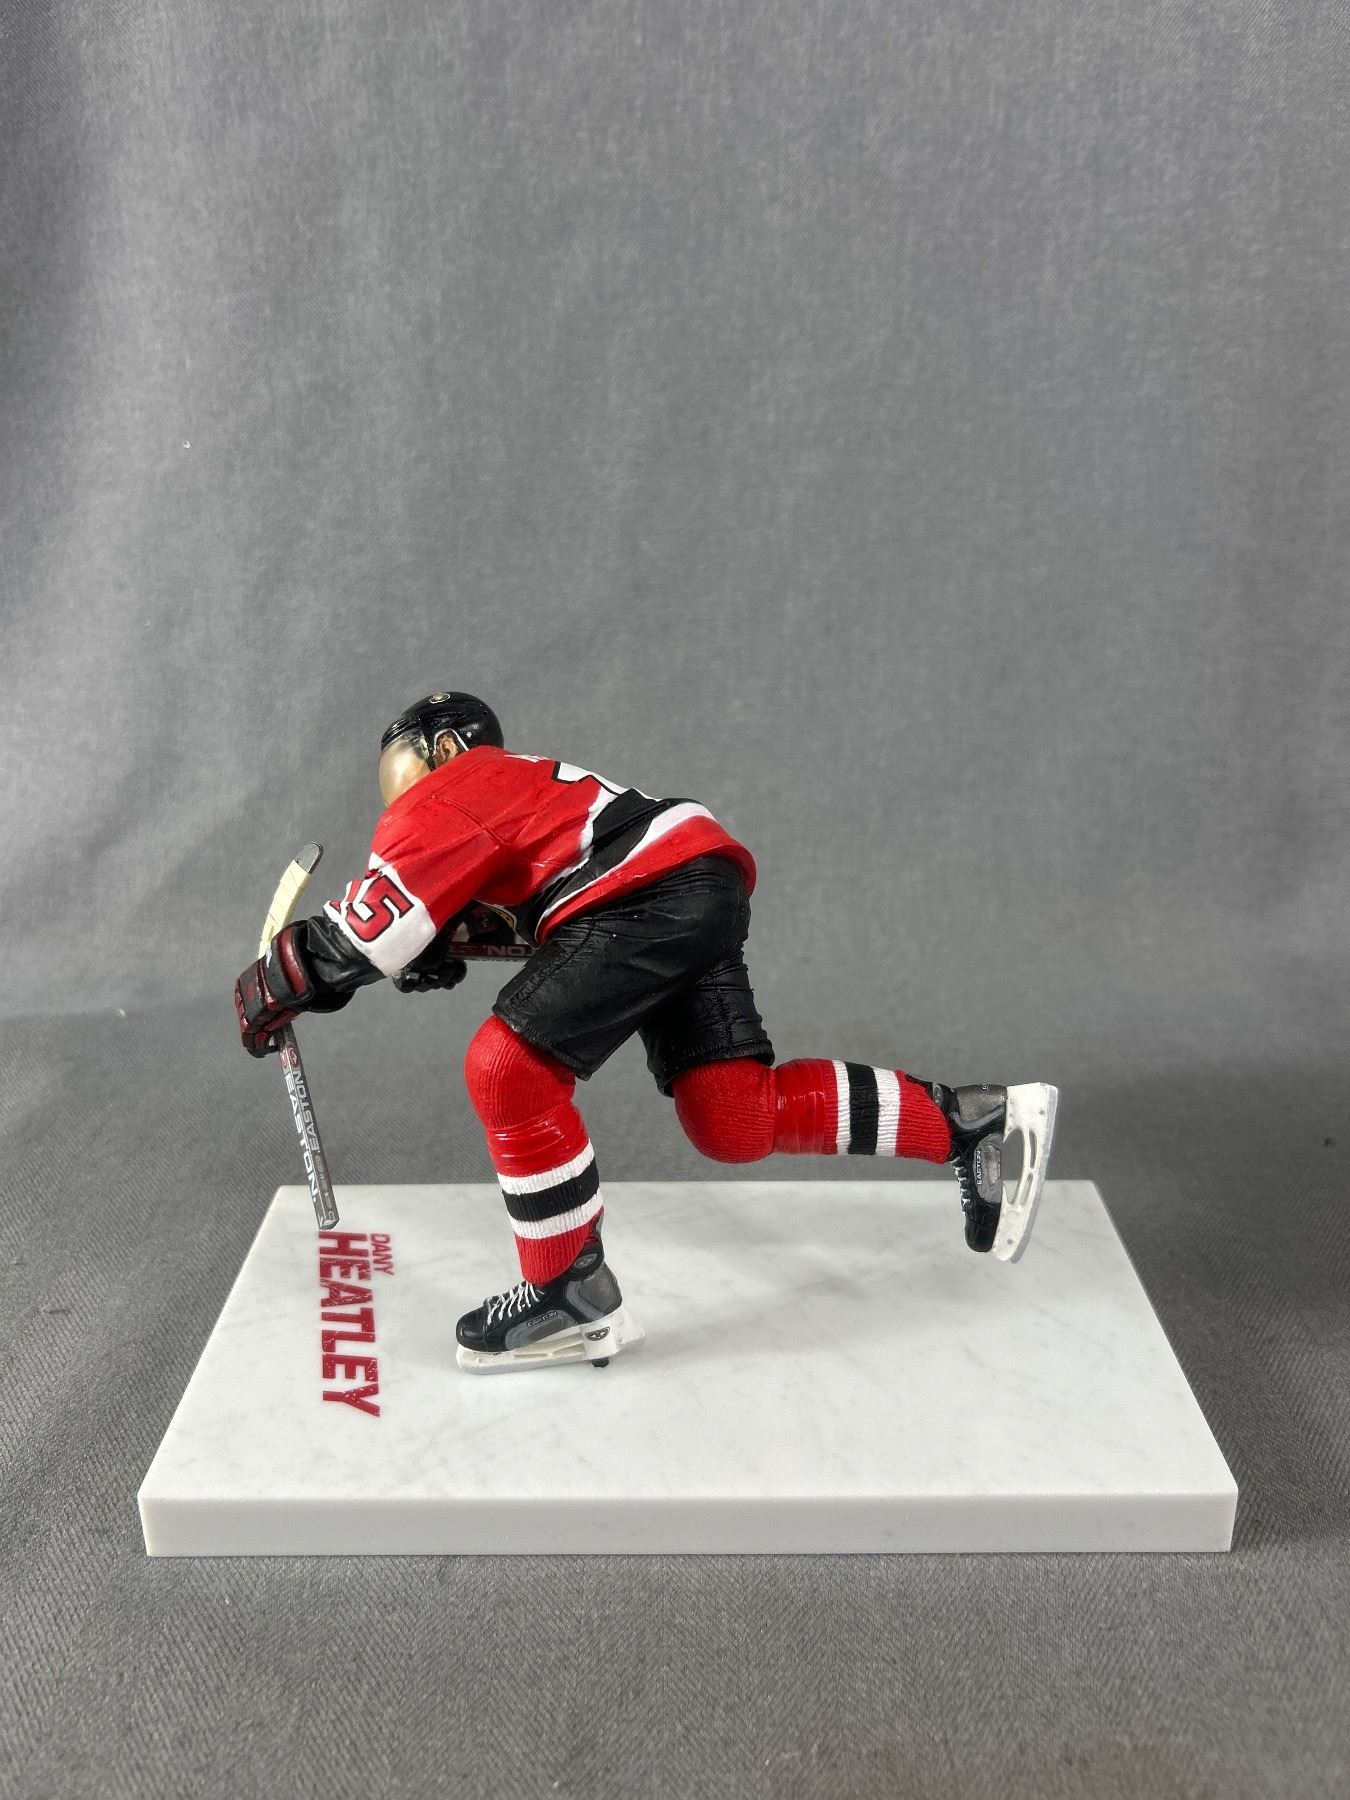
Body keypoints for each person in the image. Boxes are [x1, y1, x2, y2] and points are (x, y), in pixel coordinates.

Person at [235, 692, 1057, 1373]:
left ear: (444, 746)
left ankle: (567, 1294)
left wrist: (283, 974)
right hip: (692, 880)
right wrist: (438, 944)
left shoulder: (459, 784)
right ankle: (970, 1122)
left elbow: (373, 925)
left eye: (401, 767)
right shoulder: (521, 789)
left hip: (640, 894)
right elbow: (523, 913)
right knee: (733, 1117)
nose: (397, 791)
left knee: (507, 1069)